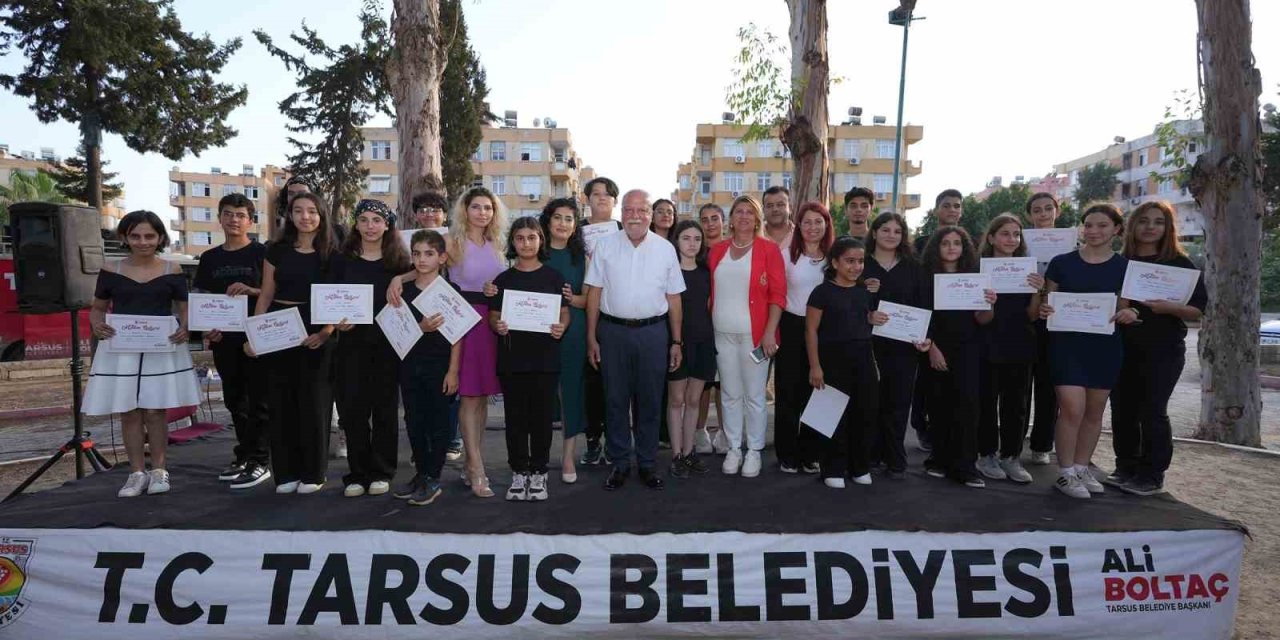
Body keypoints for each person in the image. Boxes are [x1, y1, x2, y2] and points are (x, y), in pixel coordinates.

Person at [84, 211, 199, 498]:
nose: (143, 241)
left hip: (161, 348)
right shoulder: (110, 269)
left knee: (156, 411)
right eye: (135, 236)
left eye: (149, 236)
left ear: (160, 238)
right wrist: (96, 324)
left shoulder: (173, 269)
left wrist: (185, 327)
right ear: (125, 237)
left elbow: (184, 307)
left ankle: (159, 470)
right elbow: (98, 307)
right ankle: (136, 473)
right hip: (121, 348)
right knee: (129, 411)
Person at [585, 189, 685, 491]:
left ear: (650, 214)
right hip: (612, 333)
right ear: (621, 212)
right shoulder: (605, 245)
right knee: (615, 400)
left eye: (642, 210)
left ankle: (646, 463)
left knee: (650, 400)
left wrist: (676, 341)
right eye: (629, 210)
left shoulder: (665, 249)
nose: (635, 216)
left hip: (653, 334)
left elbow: (674, 298)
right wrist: (591, 337)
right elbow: (594, 293)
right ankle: (619, 463)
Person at [1040, 203, 1138, 499]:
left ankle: (1082, 467)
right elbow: (1048, 301)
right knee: (1072, 409)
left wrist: (1130, 312)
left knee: (1095, 412)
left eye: (1102, 225)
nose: (1094, 231)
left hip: (1105, 347)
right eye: (1089, 225)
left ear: (1117, 229)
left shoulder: (1125, 268)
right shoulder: (1061, 263)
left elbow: (1124, 306)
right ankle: (1065, 473)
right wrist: (1045, 309)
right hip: (1066, 346)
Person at [1109, 201, 1207, 496]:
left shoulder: (1180, 264)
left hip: (1163, 349)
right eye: (1144, 221)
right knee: (1122, 409)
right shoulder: (1120, 262)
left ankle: (1152, 474)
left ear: (1168, 228)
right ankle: (1126, 466)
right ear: (1132, 226)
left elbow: (1197, 310)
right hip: (1121, 347)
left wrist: (1170, 308)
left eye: (1158, 222)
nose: (1150, 227)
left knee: (1152, 411)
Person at [251, 193, 337, 495]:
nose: (305, 217)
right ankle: (286, 472)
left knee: (315, 403)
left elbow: (338, 298)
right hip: (279, 327)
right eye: (298, 211)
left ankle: (314, 473)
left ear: (322, 215)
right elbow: (265, 294)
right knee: (281, 402)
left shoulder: (332, 253)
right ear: (289, 215)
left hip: (317, 329)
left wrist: (325, 332)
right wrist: (256, 333)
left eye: (312, 211)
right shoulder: (276, 250)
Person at [330, 199, 410, 498]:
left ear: (387, 225)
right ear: (356, 224)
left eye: (376, 220)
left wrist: (401, 278)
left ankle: (382, 471)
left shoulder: (399, 262)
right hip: (351, 346)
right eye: (363, 220)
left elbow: (425, 272)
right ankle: (357, 473)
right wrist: (336, 322)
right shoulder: (342, 261)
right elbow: (329, 299)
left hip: (388, 346)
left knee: (385, 411)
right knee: (353, 412)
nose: (370, 226)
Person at [489, 217, 570, 501]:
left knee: (542, 418)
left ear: (540, 241)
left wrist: (562, 326)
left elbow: (564, 313)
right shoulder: (503, 280)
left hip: (545, 360)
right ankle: (518, 471)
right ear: (513, 242)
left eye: (532, 237)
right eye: (520, 238)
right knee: (515, 419)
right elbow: (494, 315)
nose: (526, 243)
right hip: (512, 360)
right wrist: (497, 325)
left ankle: (539, 471)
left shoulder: (554, 278)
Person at [707, 194, 786, 478]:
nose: (743, 216)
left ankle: (753, 450)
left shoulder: (769, 250)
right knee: (729, 394)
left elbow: (778, 295)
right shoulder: (718, 250)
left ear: (757, 219)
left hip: (756, 338)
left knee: (754, 396)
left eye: (749, 212)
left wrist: (769, 333)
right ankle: (734, 448)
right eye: (738, 211)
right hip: (722, 335)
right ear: (731, 219)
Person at [196, 194, 271, 490]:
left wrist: (251, 291)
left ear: (250, 221)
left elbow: (274, 292)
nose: (234, 220)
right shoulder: (209, 258)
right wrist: (205, 329)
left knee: (259, 401)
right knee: (235, 401)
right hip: (223, 340)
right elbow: (201, 298)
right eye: (228, 214)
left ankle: (261, 460)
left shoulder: (263, 253)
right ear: (219, 218)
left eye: (240, 215)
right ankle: (244, 454)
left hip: (256, 338)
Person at [806, 236, 889, 488]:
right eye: (849, 261)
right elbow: (810, 331)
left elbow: (864, 321)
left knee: (864, 413)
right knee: (832, 415)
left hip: (863, 360)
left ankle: (859, 466)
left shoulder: (863, 292)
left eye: (860, 261)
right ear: (835, 262)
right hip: (832, 361)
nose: (856, 266)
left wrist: (872, 318)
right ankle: (832, 468)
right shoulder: (821, 292)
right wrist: (815, 366)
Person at [919, 226, 996, 488]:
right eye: (945, 243)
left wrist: (989, 303)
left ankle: (965, 467)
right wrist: (932, 348)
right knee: (938, 405)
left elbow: (983, 319)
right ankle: (938, 460)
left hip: (968, 348)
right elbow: (921, 315)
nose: (951, 247)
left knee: (968, 406)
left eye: (957, 243)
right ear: (936, 248)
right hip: (935, 347)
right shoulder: (925, 278)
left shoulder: (975, 279)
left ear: (964, 248)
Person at [392, 230, 461, 506]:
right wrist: (419, 328)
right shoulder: (402, 291)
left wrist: (453, 371)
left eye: (429, 254)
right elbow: (395, 332)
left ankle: (433, 476)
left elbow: (458, 336)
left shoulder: (450, 292)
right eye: (417, 253)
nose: (422, 259)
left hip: (440, 366)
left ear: (442, 258)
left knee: (439, 422)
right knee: (414, 420)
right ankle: (421, 473)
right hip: (410, 365)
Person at [975, 214, 1042, 484]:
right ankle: (986, 454)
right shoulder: (979, 269)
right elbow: (981, 318)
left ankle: (1011, 456)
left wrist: (1038, 291)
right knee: (987, 402)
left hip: (1020, 343)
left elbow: (1033, 315)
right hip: (988, 342)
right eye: (1005, 233)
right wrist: (988, 300)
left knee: (1017, 404)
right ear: (991, 238)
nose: (1011, 239)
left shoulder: (1028, 270)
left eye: (1016, 234)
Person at [775, 201, 834, 474]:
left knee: (819, 392)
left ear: (826, 225)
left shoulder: (834, 258)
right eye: (807, 222)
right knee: (789, 391)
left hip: (825, 330)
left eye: (818, 221)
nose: (812, 227)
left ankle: (812, 453)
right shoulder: (786, 256)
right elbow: (776, 295)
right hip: (791, 326)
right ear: (798, 226)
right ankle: (787, 453)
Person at [862, 212, 922, 479]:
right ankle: (871, 454)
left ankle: (895, 455)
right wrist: (867, 311)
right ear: (874, 232)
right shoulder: (860, 263)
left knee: (898, 402)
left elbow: (923, 303)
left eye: (897, 231)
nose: (891, 235)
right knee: (871, 400)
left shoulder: (913, 267)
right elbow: (844, 300)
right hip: (868, 344)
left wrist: (925, 334)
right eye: (885, 230)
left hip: (904, 346)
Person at [909, 188, 963, 453]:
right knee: (924, 381)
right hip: (926, 321)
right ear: (936, 209)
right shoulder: (920, 244)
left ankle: (947, 433)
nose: (952, 210)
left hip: (958, 326)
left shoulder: (967, 243)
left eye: (957, 205)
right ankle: (922, 426)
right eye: (947, 205)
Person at [539, 198, 589, 483]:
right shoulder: (536, 251)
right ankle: (540, 454)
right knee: (542, 393)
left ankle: (568, 455)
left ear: (575, 225)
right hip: (538, 332)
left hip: (573, 332)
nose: (562, 223)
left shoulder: (582, 257)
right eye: (557, 217)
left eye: (569, 219)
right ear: (548, 221)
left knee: (571, 391)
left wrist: (573, 298)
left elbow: (589, 300)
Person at [411, 190, 462, 462]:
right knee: (416, 408)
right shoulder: (405, 241)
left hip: (448, 316)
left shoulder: (455, 240)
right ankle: (424, 455)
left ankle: (447, 444)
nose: (429, 213)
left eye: (435, 209)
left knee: (446, 395)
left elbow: (457, 335)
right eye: (423, 209)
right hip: (414, 345)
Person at [666, 220, 715, 478]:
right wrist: (675, 343)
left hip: (704, 341)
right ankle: (676, 454)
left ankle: (688, 451)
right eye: (686, 238)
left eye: (697, 238)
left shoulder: (707, 272)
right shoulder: (668, 272)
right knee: (676, 400)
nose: (692, 243)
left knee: (694, 400)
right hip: (678, 343)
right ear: (677, 241)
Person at [579, 176, 620, 467]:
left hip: (615, 314)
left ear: (614, 201)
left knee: (615, 385)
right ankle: (592, 440)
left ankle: (615, 441)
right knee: (590, 384)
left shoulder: (623, 230)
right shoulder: (576, 230)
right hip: (582, 312)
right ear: (587, 199)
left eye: (607, 194)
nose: (602, 198)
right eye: (596, 193)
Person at [1024, 192, 1062, 465]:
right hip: (1025, 321)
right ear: (1029, 215)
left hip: (1057, 322)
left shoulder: (1072, 246)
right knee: (1021, 385)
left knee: (1048, 386)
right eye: (1037, 210)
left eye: (1048, 208)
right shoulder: (1019, 244)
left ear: (1057, 211)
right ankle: (1014, 441)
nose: (1043, 214)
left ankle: (1042, 444)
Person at [694, 203, 729, 455]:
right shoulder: (696, 252)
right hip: (702, 324)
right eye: (704, 219)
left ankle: (726, 432)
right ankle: (700, 431)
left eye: (714, 218)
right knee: (704, 382)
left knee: (725, 382)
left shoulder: (732, 249)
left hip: (728, 322)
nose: (710, 224)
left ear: (723, 221)